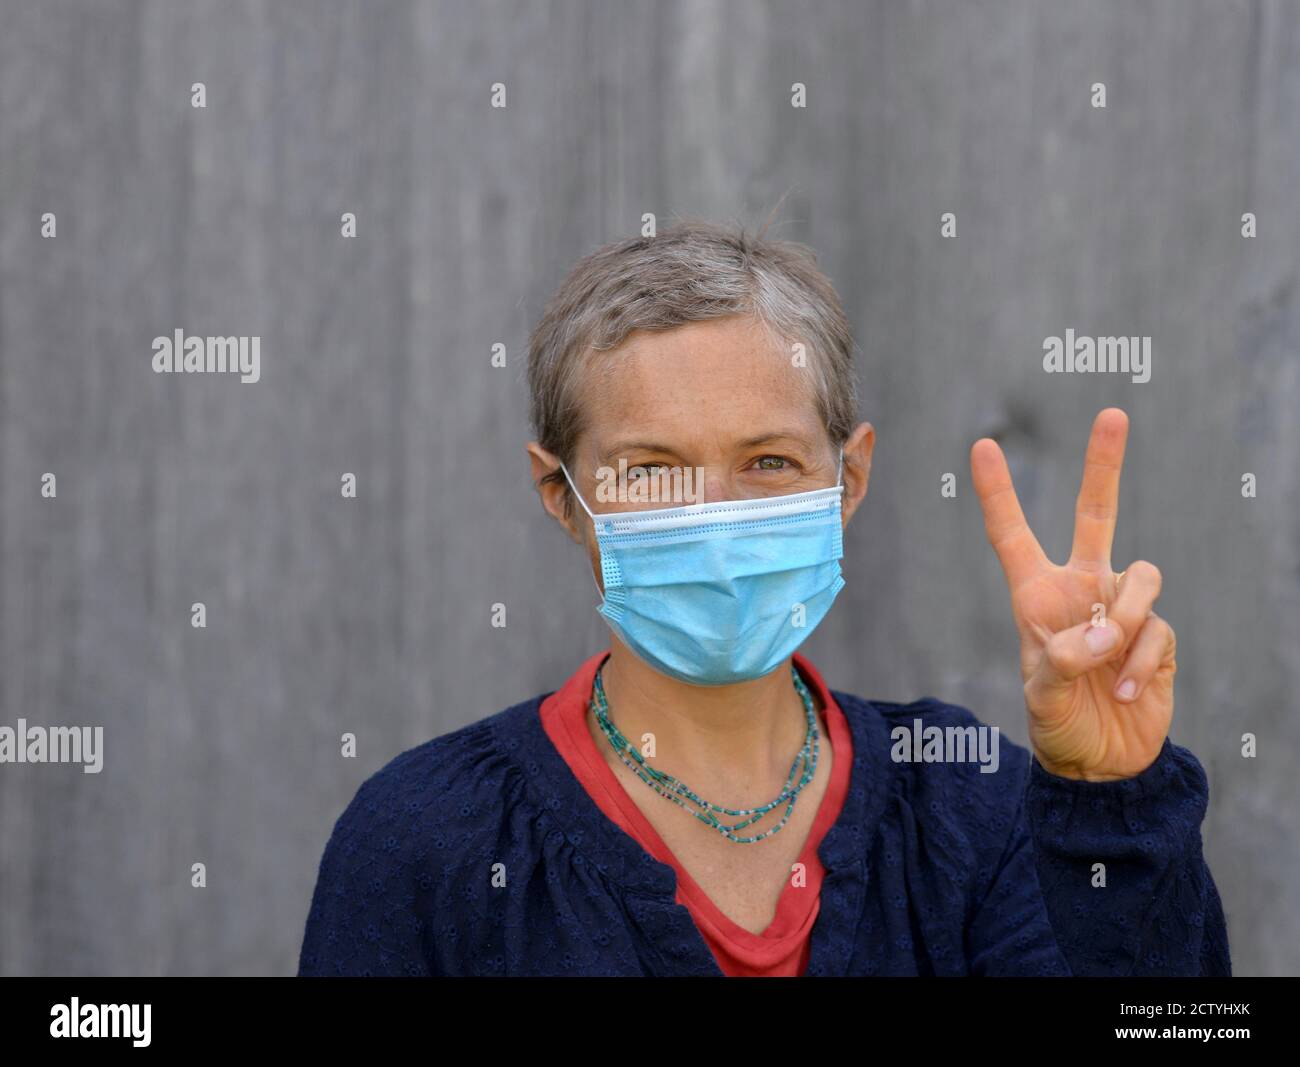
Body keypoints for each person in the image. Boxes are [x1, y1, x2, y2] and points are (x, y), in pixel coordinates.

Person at [297, 220, 1230, 976]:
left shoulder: (973, 808)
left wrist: (1111, 800)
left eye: (769, 463)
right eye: (650, 471)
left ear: (850, 476)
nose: (714, 522)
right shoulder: (426, 841)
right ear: (562, 497)